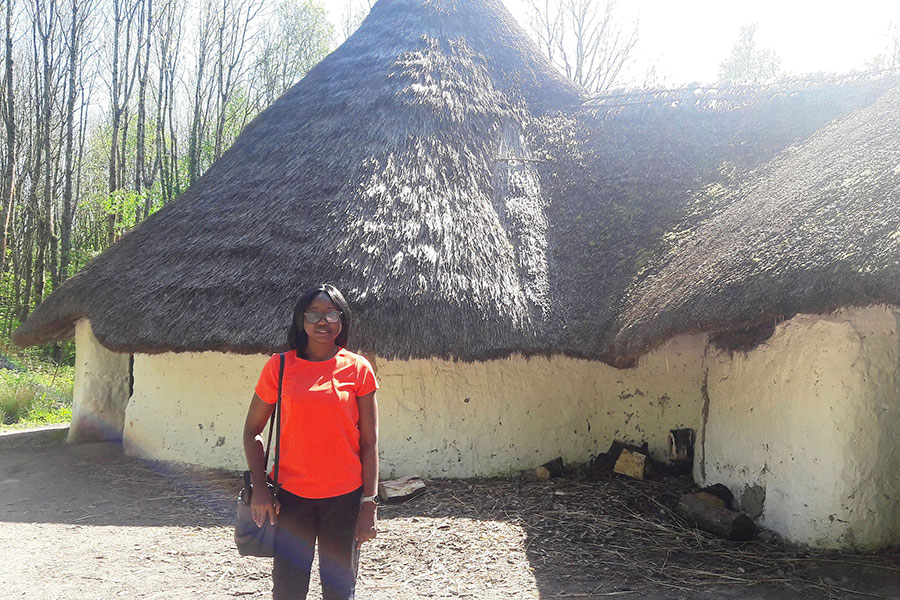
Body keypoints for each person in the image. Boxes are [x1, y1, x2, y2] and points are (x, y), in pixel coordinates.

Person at [242, 283, 379, 600]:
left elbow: (370, 442)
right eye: (314, 314)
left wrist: (369, 504)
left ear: (342, 320)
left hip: (344, 499)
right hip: (291, 499)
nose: (322, 321)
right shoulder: (279, 367)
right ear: (300, 320)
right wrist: (260, 488)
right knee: (289, 589)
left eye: (331, 313)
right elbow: (252, 430)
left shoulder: (358, 370)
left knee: (339, 589)